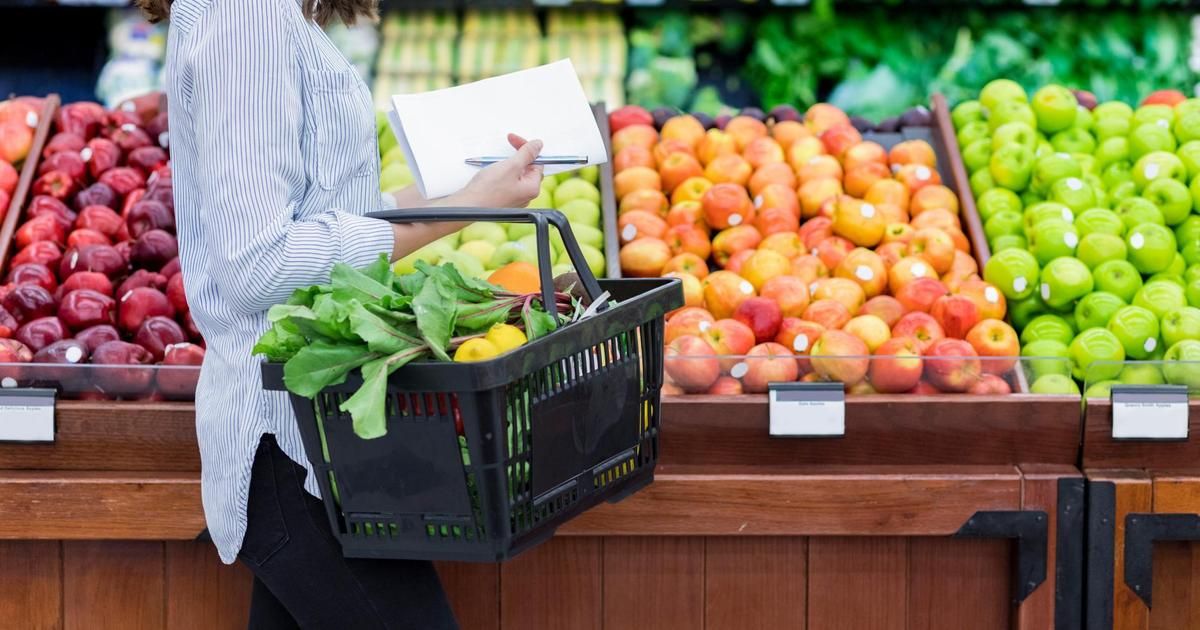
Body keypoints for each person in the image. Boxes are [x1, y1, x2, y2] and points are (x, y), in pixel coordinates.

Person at [137, 0, 544, 627]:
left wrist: (465, 195)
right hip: (291, 443)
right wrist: (462, 209)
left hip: (322, 440)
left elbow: (321, 215)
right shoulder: (249, 15)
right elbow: (259, 263)